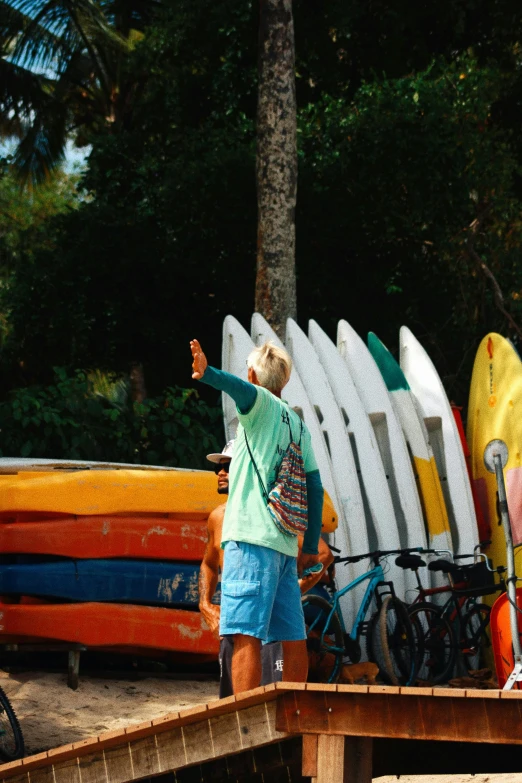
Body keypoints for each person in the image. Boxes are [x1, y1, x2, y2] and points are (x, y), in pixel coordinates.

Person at [191, 338, 324, 693]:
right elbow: (314, 484)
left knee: (243, 634)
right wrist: (309, 546)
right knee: (292, 637)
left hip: (250, 540)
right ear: (285, 381)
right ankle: (296, 714)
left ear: (252, 374)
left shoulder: (260, 402)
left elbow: (235, 388)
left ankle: (243, 725)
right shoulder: (297, 425)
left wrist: (208, 374)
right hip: (283, 545)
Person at [199, 440, 333, 697]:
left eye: (227, 466)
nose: (220, 473)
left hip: (270, 632)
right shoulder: (218, 516)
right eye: (218, 468)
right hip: (235, 622)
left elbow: (324, 555)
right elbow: (209, 563)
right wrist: (204, 604)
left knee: (274, 701)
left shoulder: (271, 511)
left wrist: (296, 589)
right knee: (233, 700)